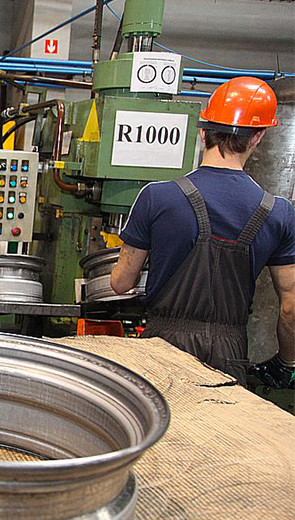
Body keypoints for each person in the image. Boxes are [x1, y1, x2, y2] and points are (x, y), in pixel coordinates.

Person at [110, 76, 295, 387]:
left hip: (162, 348)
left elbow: (120, 283)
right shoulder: (279, 212)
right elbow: (291, 309)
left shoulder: (157, 197)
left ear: (202, 131)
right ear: (258, 137)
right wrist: (287, 362)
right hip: (229, 353)